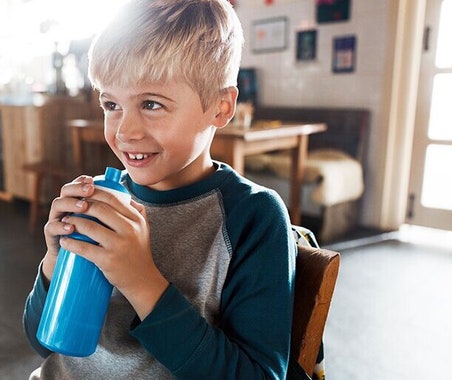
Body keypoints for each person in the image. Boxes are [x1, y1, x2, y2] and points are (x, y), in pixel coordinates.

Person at [23, 0, 296, 378]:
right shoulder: (103, 199)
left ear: (220, 106)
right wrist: (54, 264)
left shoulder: (252, 218)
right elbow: (41, 342)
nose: (124, 131)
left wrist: (141, 281)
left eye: (151, 104)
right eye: (111, 103)